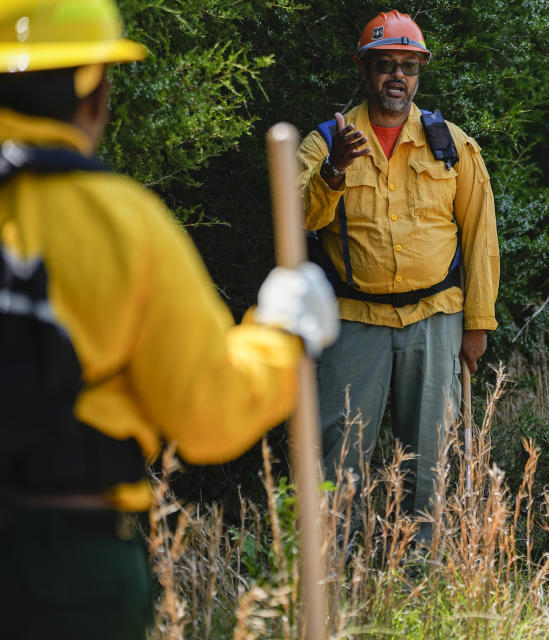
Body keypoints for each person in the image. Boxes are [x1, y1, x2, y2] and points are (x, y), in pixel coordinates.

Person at [0, 1, 339, 638]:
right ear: (94, 92)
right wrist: (280, 333)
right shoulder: (123, 226)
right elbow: (208, 415)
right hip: (66, 575)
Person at [298, 10, 499, 543]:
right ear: (366, 71)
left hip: (435, 319)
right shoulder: (326, 142)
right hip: (352, 320)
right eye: (386, 64)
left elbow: (480, 237)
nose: (397, 77)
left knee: (430, 451)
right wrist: (334, 171)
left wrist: (476, 325)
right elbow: (295, 220)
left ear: (419, 74)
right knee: (339, 451)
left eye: (408, 67)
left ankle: (419, 573)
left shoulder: (452, 144)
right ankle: (337, 575)